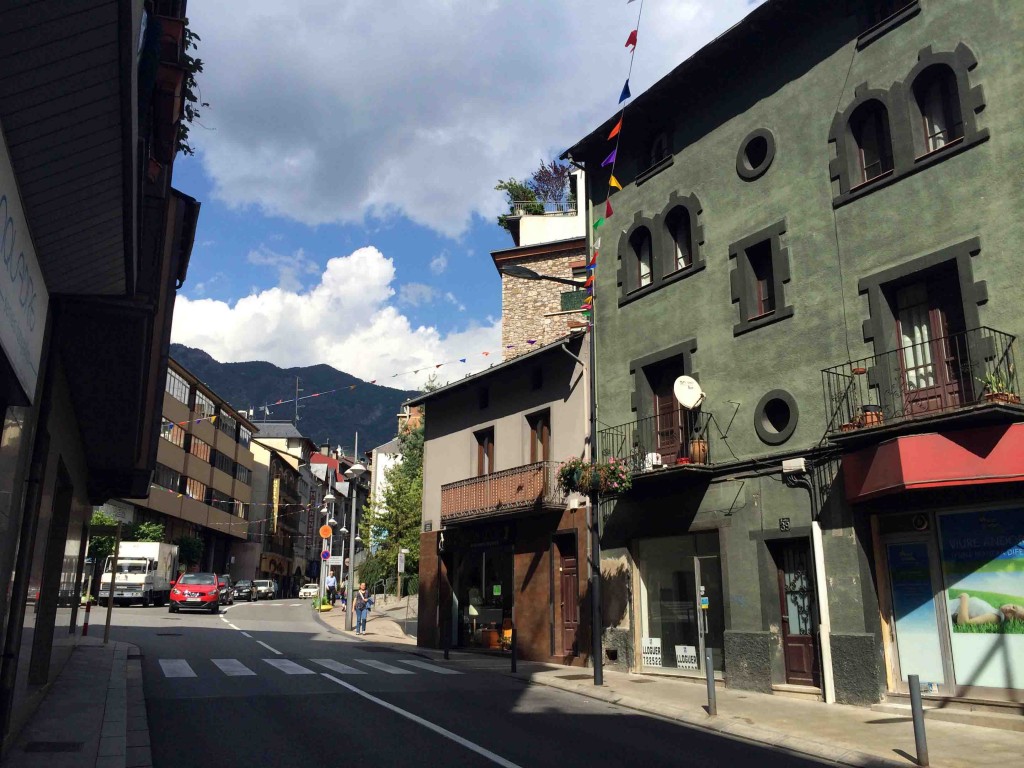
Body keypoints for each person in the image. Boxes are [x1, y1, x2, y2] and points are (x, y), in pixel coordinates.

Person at [948, 592, 1024, 626]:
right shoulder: (994, 611)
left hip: (948, 610)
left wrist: (965, 597)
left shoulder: (997, 617)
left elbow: (964, 623)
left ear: (1013, 622)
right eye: (1013, 607)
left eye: (1013, 615)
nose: (1009, 609)